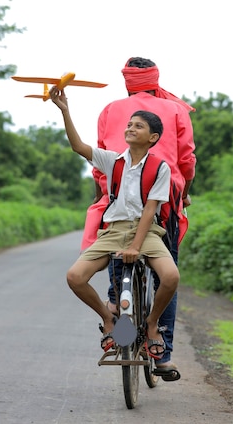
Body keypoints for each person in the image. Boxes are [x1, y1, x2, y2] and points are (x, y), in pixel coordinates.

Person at [81, 57, 196, 380]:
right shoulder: (175, 110)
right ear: (154, 80)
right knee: (166, 275)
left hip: (117, 192)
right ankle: (162, 355)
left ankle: (116, 303)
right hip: (164, 196)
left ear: (128, 82)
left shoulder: (110, 109)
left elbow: (99, 157)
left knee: (115, 246)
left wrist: (101, 192)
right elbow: (186, 159)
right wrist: (184, 192)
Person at [49, 85, 179, 359]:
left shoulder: (160, 168)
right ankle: (109, 320)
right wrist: (65, 111)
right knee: (75, 277)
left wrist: (136, 245)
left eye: (139, 126)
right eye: (129, 124)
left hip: (147, 232)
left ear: (152, 137)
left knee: (170, 277)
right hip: (113, 230)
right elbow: (78, 147)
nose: (130, 128)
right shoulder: (112, 161)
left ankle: (153, 324)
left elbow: (150, 210)